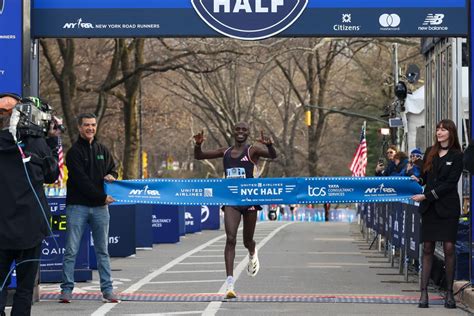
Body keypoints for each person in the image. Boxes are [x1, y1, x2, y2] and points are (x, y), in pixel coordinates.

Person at [193, 122, 277, 299]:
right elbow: (199, 156)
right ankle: (229, 283)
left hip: (250, 200)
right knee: (230, 238)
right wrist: (198, 144)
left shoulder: (252, 151)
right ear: (233, 131)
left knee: (247, 240)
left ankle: (252, 251)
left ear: (248, 133)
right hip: (231, 200)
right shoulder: (225, 152)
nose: (240, 132)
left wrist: (269, 145)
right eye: (238, 129)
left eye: (244, 130)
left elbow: (272, 156)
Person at [0, 93, 60, 316]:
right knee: (24, 290)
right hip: (28, 229)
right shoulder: (37, 143)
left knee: (8, 288)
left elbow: (51, 175)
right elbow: (52, 174)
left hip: (15, 229)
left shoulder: (34, 143)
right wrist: (52, 140)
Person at [59, 113, 119, 304]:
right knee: (71, 250)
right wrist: (102, 196)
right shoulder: (74, 152)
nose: (90, 128)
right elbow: (81, 181)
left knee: (102, 250)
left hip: (100, 209)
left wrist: (112, 175)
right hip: (77, 207)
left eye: (93, 125)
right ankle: (66, 290)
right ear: (79, 127)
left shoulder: (102, 149)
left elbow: (113, 169)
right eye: (86, 125)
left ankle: (108, 290)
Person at [411, 119, 463, 309]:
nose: (439, 132)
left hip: (447, 208)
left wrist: (426, 196)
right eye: (438, 129)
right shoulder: (430, 152)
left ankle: (449, 293)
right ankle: (423, 292)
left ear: (451, 133)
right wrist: (417, 178)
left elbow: (450, 184)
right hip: (430, 210)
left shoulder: (457, 155)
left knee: (449, 248)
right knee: (427, 249)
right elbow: (426, 176)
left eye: (443, 129)